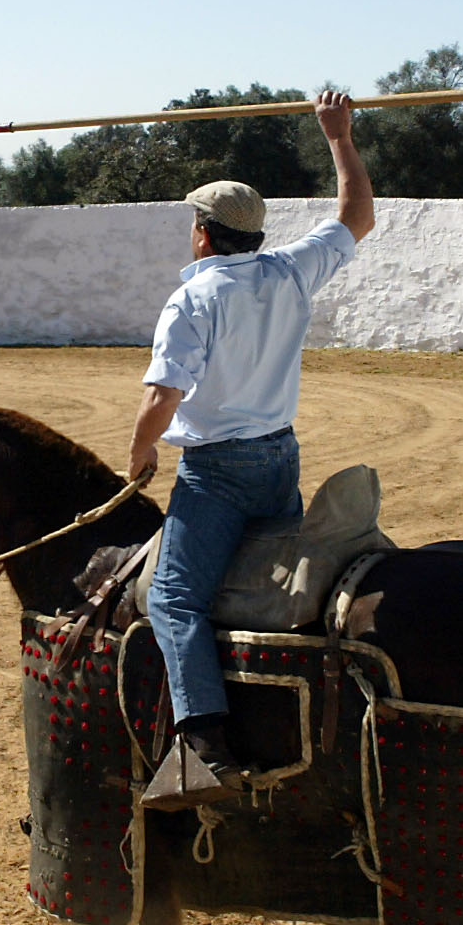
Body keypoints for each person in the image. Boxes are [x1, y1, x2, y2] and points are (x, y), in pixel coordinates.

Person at [128, 88, 374, 809]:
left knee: (173, 598)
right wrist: (339, 136)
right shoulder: (291, 270)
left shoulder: (194, 299)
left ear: (203, 233)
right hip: (279, 462)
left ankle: (203, 743)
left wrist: (139, 455)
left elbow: (162, 396)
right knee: (269, 592)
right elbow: (357, 214)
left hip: (217, 474)